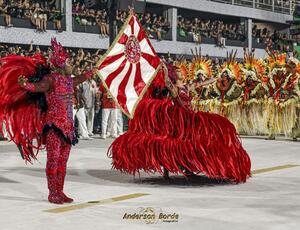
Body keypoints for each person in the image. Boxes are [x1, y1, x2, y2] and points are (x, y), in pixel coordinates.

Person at [108, 63, 251, 183]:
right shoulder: (174, 89)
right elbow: (167, 82)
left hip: (190, 118)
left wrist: (215, 79)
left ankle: (189, 169)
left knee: (191, 144)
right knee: (172, 144)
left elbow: (201, 83)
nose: (180, 73)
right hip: (179, 120)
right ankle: (167, 171)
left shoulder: (187, 87)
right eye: (177, 72)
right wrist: (163, 70)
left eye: (180, 72)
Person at [0, 38, 88, 204]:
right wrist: (25, 84)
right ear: (61, 64)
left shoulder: (69, 80)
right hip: (54, 126)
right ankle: (52, 192)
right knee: (53, 160)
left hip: (68, 129)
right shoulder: (51, 80)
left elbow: (80, 79)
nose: (71, 64)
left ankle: (60, 191)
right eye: (68, 61)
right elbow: (37, 87)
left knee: (63, 161)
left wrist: (92, 73)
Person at [82, 68, 97, 136]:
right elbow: (81, 92)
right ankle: (81, 131)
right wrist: (83, 100)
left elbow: (95, 92)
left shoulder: (93, 82)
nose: (89, 76)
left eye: (90, 75)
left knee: (91, 117)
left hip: (92, 102)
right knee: (83, 118)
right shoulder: (83, 82)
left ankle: (89, 131)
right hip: (84, 102)